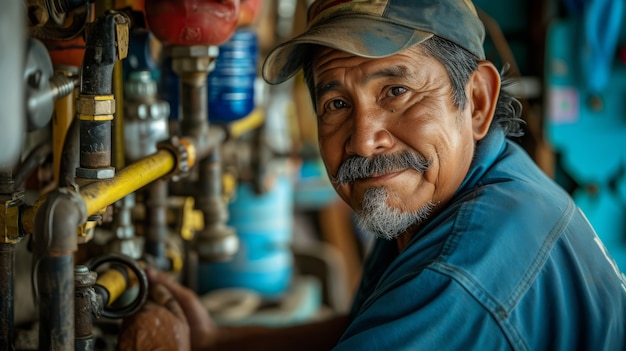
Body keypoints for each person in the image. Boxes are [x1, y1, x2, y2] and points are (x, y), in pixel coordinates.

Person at [118, 0, 626, 350]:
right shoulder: (452, 194)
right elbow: (372, 328)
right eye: (336, 103)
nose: (363, 140)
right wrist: (216, 343)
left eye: (395, 92)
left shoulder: (465, 269)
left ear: (475, 101)